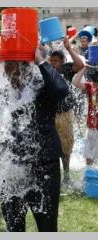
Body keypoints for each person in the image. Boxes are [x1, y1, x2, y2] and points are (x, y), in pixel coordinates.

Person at [0, 45, 69, 232]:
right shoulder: (2, 87)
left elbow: (61, 89)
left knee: (47, 227)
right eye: (6, 67)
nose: (11, 73)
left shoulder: (41, 85)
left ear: (27, 67)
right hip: (12, 166)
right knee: (14, 226)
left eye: (15, 67)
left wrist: (40, 60)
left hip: (44, 167)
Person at [48, 38, 85, 185]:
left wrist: (69, 49)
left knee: (66, 145)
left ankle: (67, 176)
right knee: (51, 145)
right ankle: (53, 175)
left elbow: (81, 65)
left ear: (62, 61)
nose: (52, 63)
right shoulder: (46, 71)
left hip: (65, 114)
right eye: (51, 60)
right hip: (50, 115)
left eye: (55, 61)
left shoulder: (67, 69)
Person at [72, 65, 98, 166]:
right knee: (89, 154)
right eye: (95, 83)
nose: (95, 86)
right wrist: (84, 68)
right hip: (92, 126)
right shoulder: (90, 86)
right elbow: (75, 83)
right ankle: (89, 172)